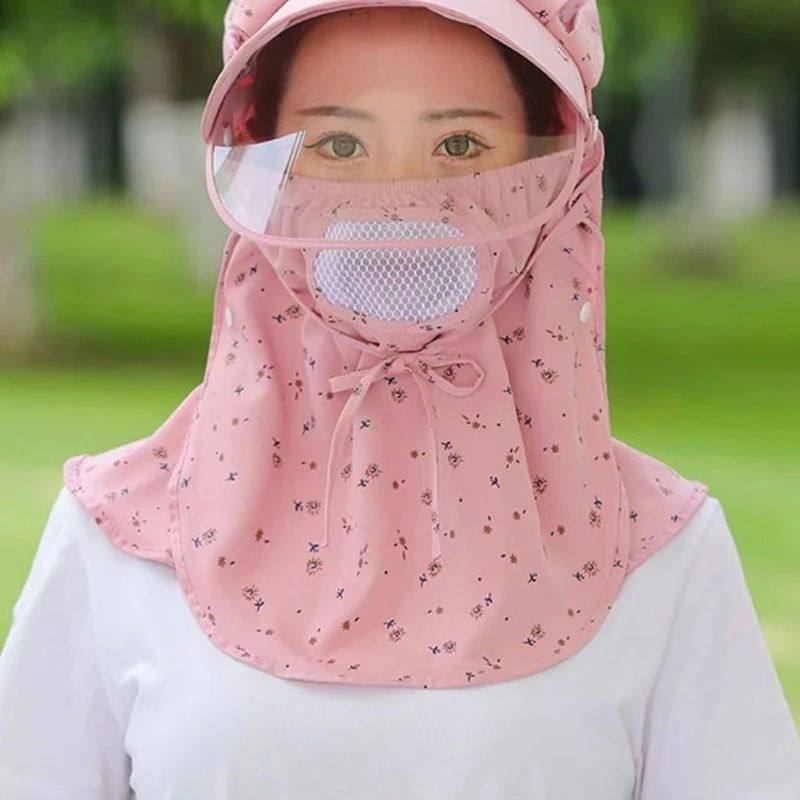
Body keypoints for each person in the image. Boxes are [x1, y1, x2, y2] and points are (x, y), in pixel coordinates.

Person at [1, 2, 799, 798]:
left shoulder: (660, 553)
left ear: (554, 169)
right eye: (338, 145)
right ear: (263, 165)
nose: (398, 199)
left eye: (461, 146)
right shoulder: (120, 538)